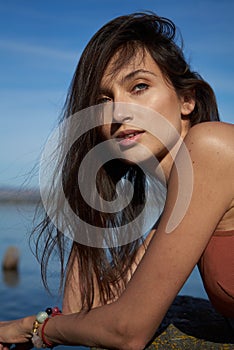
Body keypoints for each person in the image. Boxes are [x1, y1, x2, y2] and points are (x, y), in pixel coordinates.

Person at [0, 11, 233, 350]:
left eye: (139, 87)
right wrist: (91, 181)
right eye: (103, 100)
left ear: (187, 100)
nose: (119, 113)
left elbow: (128, 331)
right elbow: (88, 310)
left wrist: (28, 328)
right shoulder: (184, 210)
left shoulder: (212, 146)